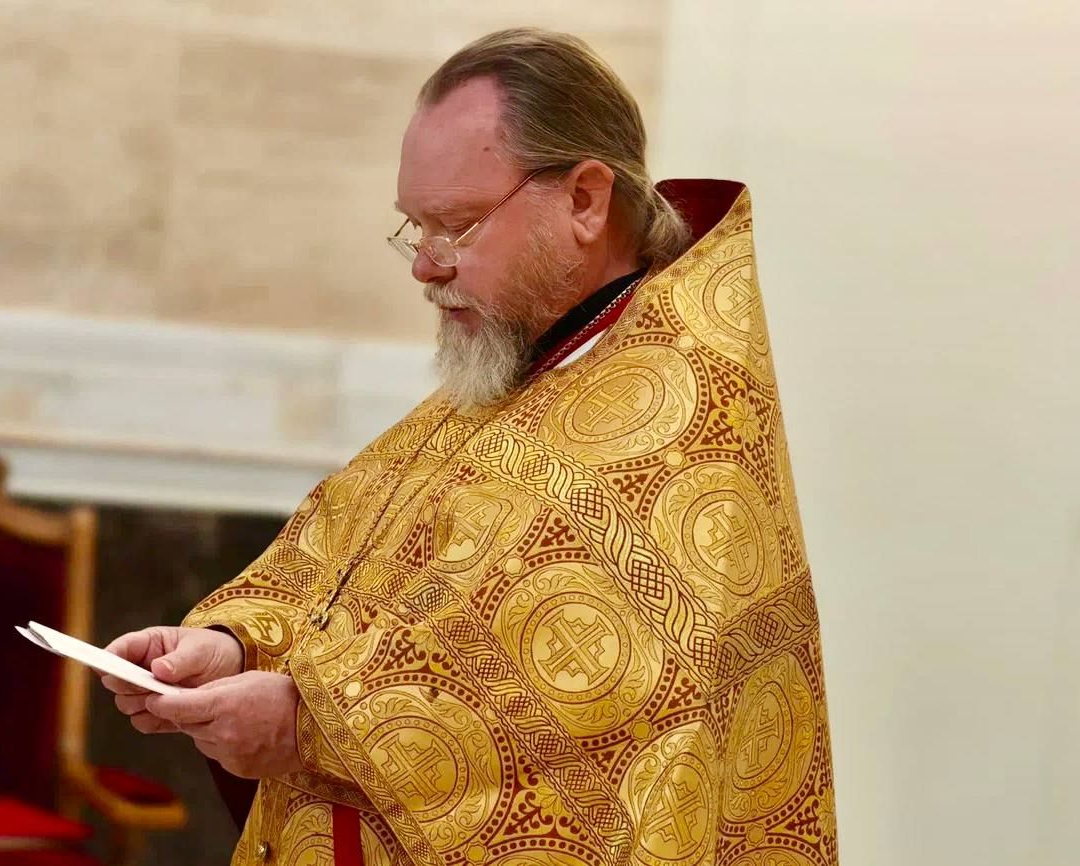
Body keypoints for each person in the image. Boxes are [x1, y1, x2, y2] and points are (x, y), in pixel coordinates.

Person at [102, 27, 838, 866]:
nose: (425, 266)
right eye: (415, 228)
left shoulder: (677, 409)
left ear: (585, 200)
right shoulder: (521, 367)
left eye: (455, 226)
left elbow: (598, 712)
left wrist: (305, 723)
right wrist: (236, 644)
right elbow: (344, 560)